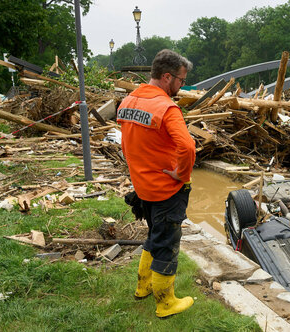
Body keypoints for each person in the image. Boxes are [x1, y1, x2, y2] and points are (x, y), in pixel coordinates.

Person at [117, 49, 196, 318]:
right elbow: (187, 147)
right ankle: (166, 303)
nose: (181, 87)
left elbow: (125, 145)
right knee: (166, 245)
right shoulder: (166, 107)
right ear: (166, 77)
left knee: (153, 236)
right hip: (165, 190)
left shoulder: (128, 101)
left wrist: (137, 171)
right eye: (181, 81)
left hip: (143, 188)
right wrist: (182, 175)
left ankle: (143, 287)